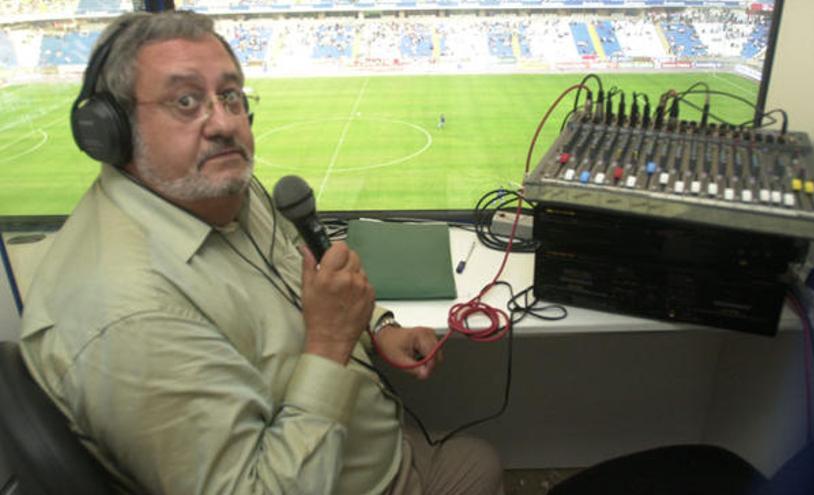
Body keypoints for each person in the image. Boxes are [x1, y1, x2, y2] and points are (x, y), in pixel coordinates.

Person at [18, 10, 503, 495]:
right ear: (111, 130)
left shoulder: (219, 189)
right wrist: (331, 344)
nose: (225, 123)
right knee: (480, 466)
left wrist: (378, 326)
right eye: (186, 101)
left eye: (229, 96)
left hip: (368, 448)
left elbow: (300, 270)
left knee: (480, 459)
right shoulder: (129, 315)